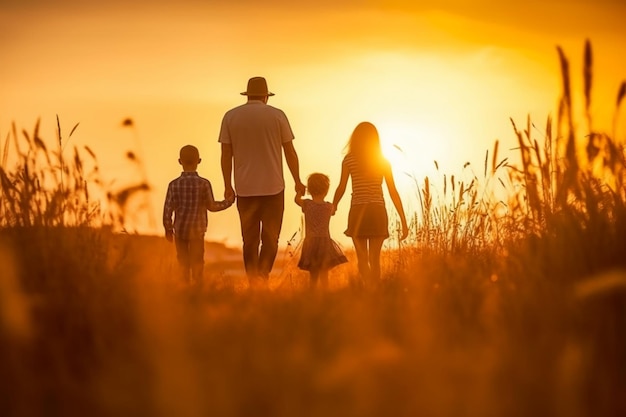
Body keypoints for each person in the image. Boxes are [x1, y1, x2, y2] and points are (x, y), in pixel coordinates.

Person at [219, 76, 305, 286]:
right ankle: (262, 276)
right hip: (273, 188)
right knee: (270, 239)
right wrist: (297, 181)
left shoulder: (231, 116)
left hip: (245, 188)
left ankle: (253, 282)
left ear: (248, 95)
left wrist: (227, 185)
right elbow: (290, 152)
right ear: (266, 96)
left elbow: (225, 153)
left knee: (249, 240)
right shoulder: (277, 115)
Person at [332, 121, 409, 284]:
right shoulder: (383, 161)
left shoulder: (349, 160)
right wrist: (403, 220)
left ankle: (368, 290)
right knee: (375, 259)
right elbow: (393, 191)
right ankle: (375, 292)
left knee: (362, 260)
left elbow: (341, 187)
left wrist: (334, 205)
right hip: (377, 211)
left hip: (358, 212)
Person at [163, 145, 233, 285]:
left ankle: (185, 288)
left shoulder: (173, 185)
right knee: (197, 262)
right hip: (198, 231)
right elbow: (211, 206)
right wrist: (228, 202)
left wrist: (168, 229)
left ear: (179, 161)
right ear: (199, 161)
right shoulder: (204, 184)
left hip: (180, 231)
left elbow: (167, 210)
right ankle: (198, 289)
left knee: (183, 262)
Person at [295, 173, 348, 289]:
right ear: (326, 190)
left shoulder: (307, 204)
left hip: (311, 242)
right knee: (324, 271)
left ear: (310, 190)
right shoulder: (329, 207)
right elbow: (334, 211)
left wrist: (300, 191)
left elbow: (296, 200)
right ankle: (325, 292)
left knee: (313, 272)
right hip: (325, 242)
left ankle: (312, 292)